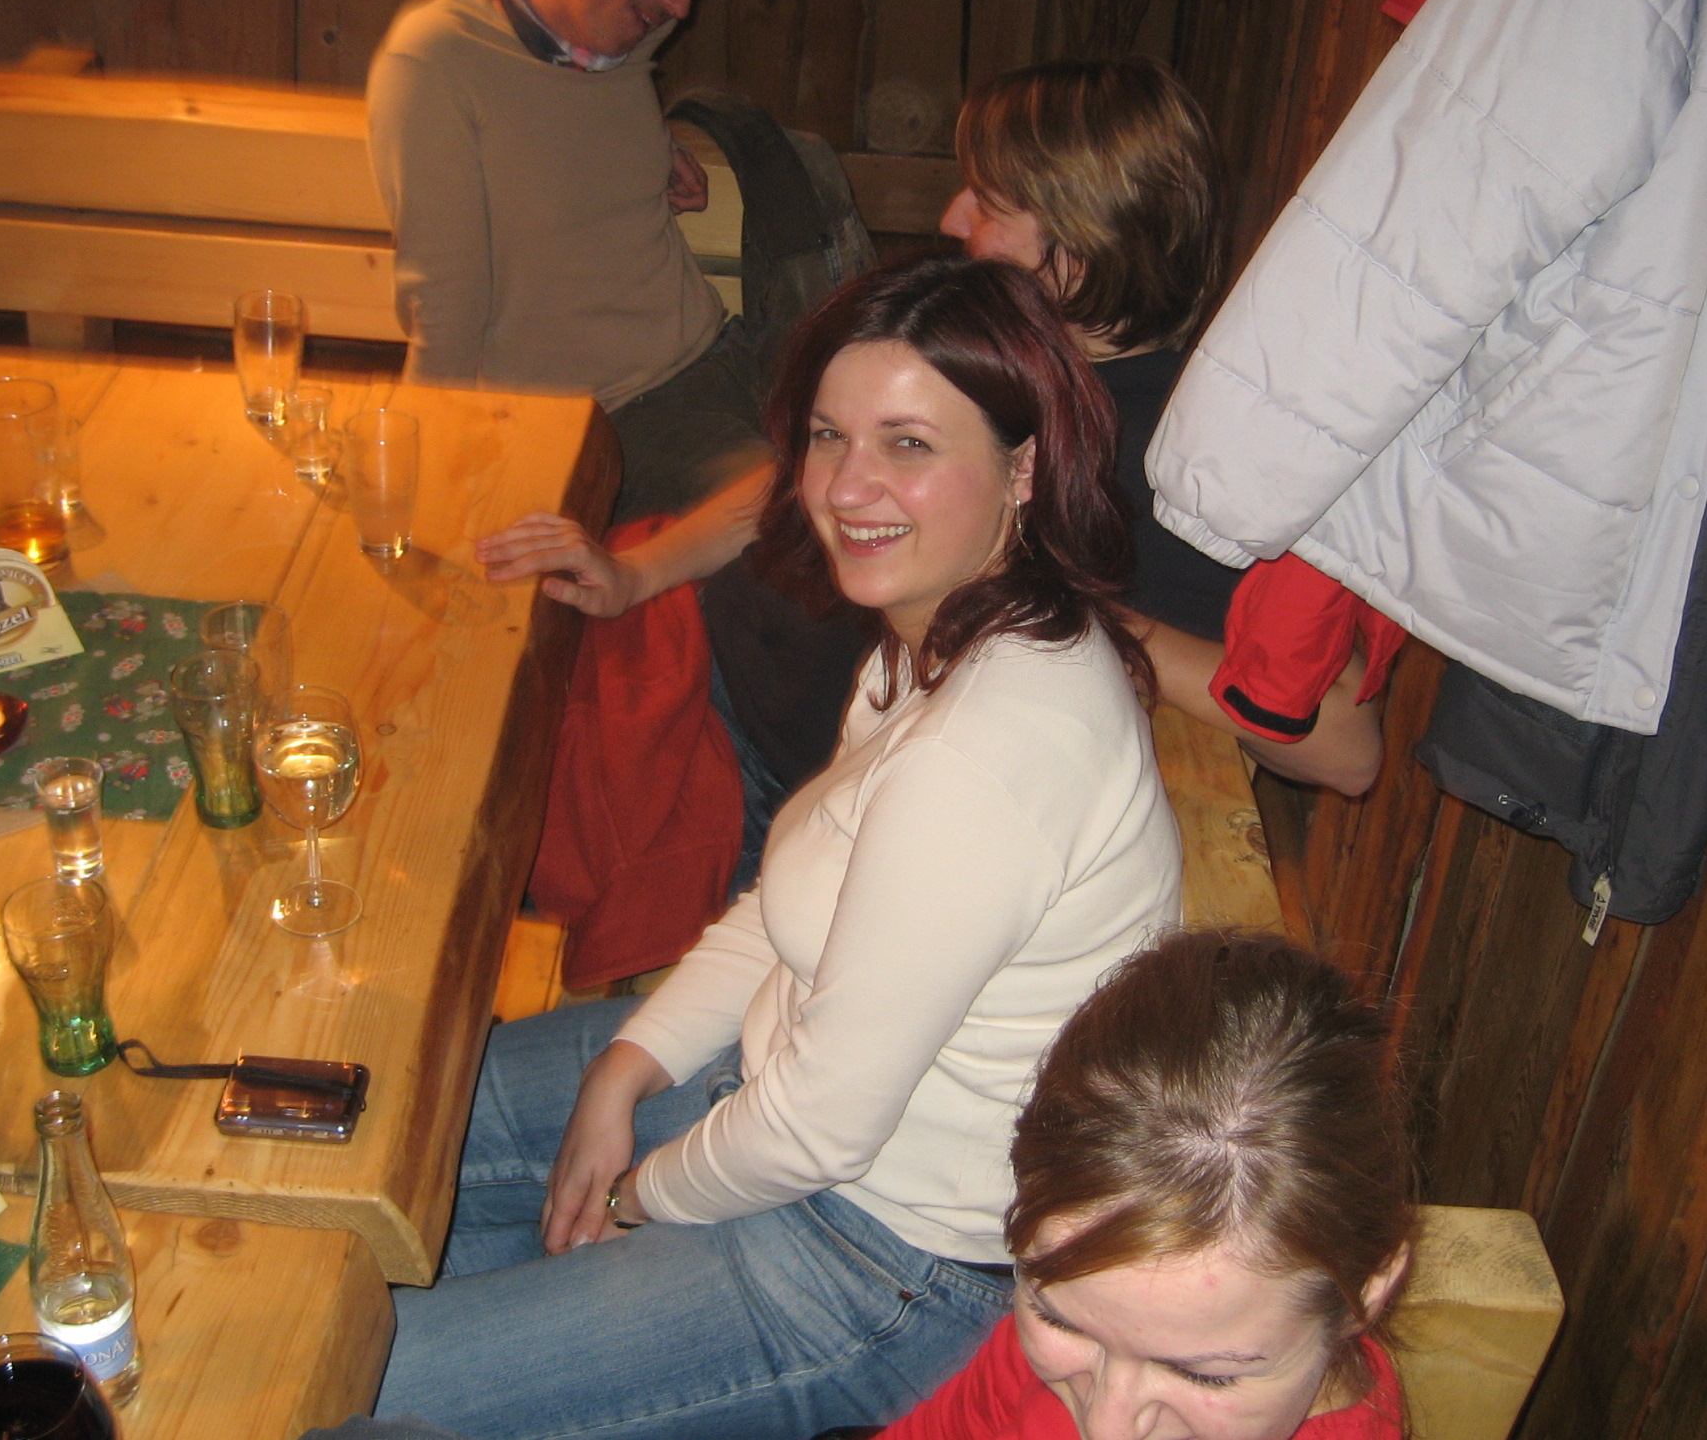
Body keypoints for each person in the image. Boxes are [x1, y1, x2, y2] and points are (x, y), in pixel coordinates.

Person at [350, 255, 1185, 1440]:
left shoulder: (989, 751)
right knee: (375, 1127)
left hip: (881, 1260)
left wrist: (638, 1202)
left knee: (359, 1377)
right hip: (767, 1088)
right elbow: (787, 903)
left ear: (1023, 466)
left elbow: (822, 1124)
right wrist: (628, 1065)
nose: (847, 487)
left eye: (908, 444)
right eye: (828, 437)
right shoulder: (941, 636)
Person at [477, 60, 1383, 819]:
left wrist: (1080, 610)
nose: (953, 221)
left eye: (988, 203)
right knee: (491, 669)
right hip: (711, 655)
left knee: (490, 799)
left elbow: (1344, 747)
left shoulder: (1180, 460)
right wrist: (638, 573)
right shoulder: (992, 345)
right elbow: (813, 478)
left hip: (773, 780)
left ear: (1079, 243)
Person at [370, 0, 780, 521]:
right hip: (603, 420)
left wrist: (655, 153)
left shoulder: (627, 30)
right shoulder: (440, 61)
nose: (682, 6)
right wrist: (421, 481)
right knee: (797, 529)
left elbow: (571, 123)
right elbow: (446, 308)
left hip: (720, 357)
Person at [882, 928, 1412, 1440]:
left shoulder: (1102, 1314)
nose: (1106, 1427)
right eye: (1060, 1323)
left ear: (1366, 1294)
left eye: (1204, 1376)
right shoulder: (1104, 1302)